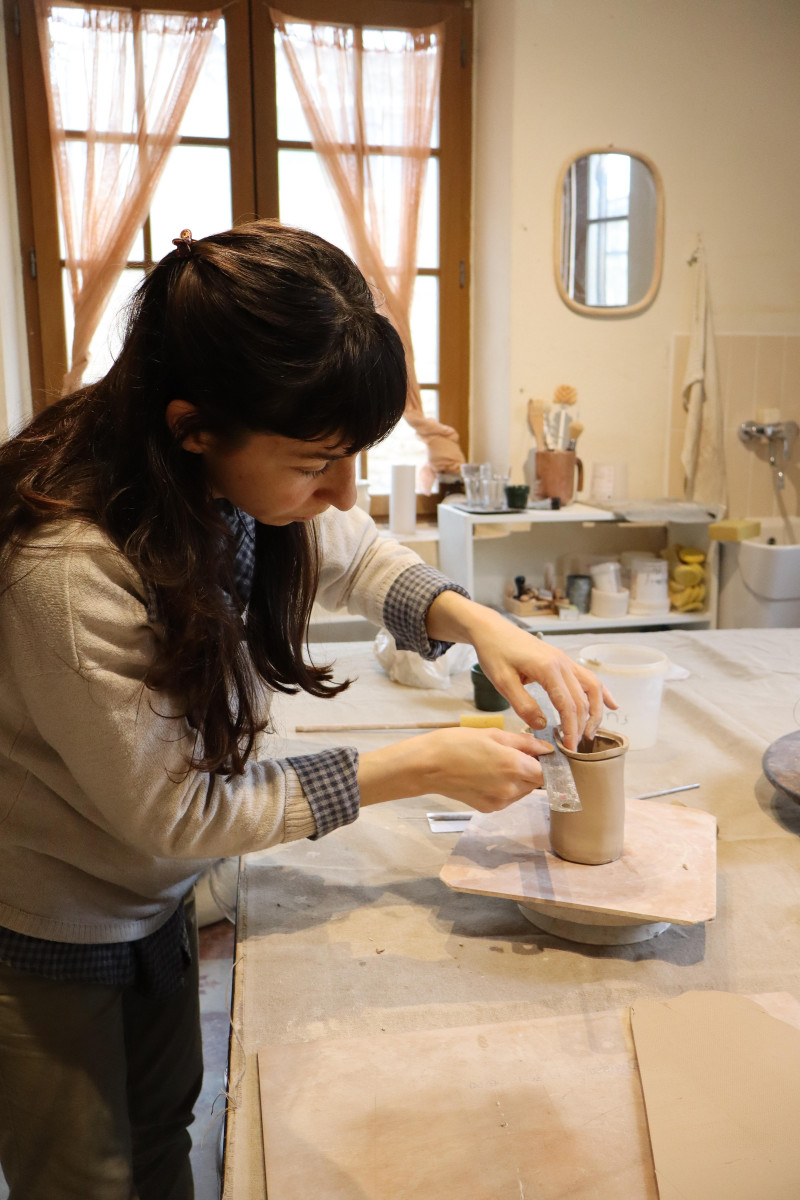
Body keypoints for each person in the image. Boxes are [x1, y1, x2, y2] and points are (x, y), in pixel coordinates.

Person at [0, 219, 610, 1199]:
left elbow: (354, 551)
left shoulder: (215, 477)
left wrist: (478, 622)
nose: (339, 490)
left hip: (148, 897)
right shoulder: (71, 570)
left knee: (162, 1131)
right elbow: (175, 815)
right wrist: (415, 767)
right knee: (83, 1173)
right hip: (52, 918)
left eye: (353, 455)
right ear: (192, 425)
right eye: (312, 461)